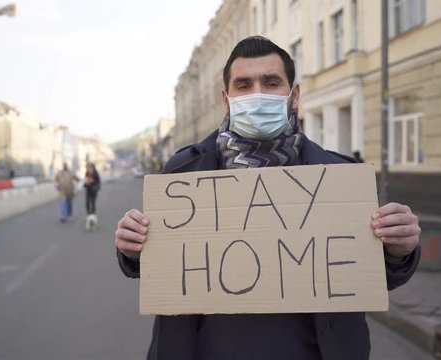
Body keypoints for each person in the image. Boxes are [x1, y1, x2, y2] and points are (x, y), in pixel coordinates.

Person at [114, 36, 421, 360]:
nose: (257, 94)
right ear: (226, 99)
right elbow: (159, 264)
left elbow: (365, 273)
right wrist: (133, 247)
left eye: (271, 82)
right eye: (244, 85)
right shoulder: (182, 172)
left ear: (294, 96)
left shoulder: (340, 176)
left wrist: (398, 250)